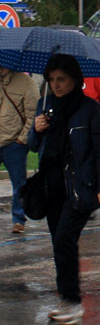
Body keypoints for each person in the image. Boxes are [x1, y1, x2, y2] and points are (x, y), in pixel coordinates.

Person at [28, 54, 100, 325]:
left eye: (61, 79)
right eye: (52, 80)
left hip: (79, 188)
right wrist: (36, 128)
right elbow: (33, 146)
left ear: (75, 80)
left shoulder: (89, 110)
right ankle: (66, 298)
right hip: (50, 187)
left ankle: (72, 301)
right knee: (59, 243)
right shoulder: (47, 107)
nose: (56, 85)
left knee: (64, 238)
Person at [0, 65, 39, 234]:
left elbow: (33, 114)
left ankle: (18, 219)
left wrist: (22, 140)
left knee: (19, 184)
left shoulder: (26, 82)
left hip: (14, 144)